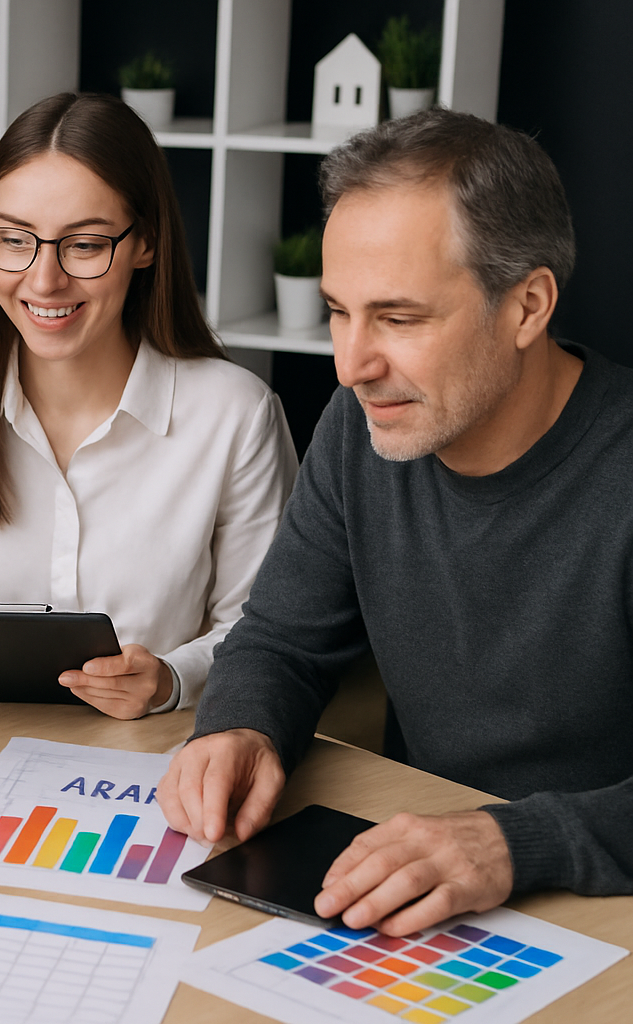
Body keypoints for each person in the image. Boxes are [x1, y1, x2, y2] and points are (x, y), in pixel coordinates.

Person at [158, 108, 633, 934]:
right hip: (421, 891)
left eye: (399, 318)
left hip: (594, 906)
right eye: (339, 310)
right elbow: (283, 640)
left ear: (528, 306)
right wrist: (241, 727)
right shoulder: (364, 425)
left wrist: (516, 842)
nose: (351, 365)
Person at [0, 92, 297, 718]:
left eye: (85, 245)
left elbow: (264, 635)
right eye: (15, 240)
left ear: (145, 244)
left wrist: (168, 680)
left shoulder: (236, 414)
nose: (43, 281)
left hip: (159, 762)